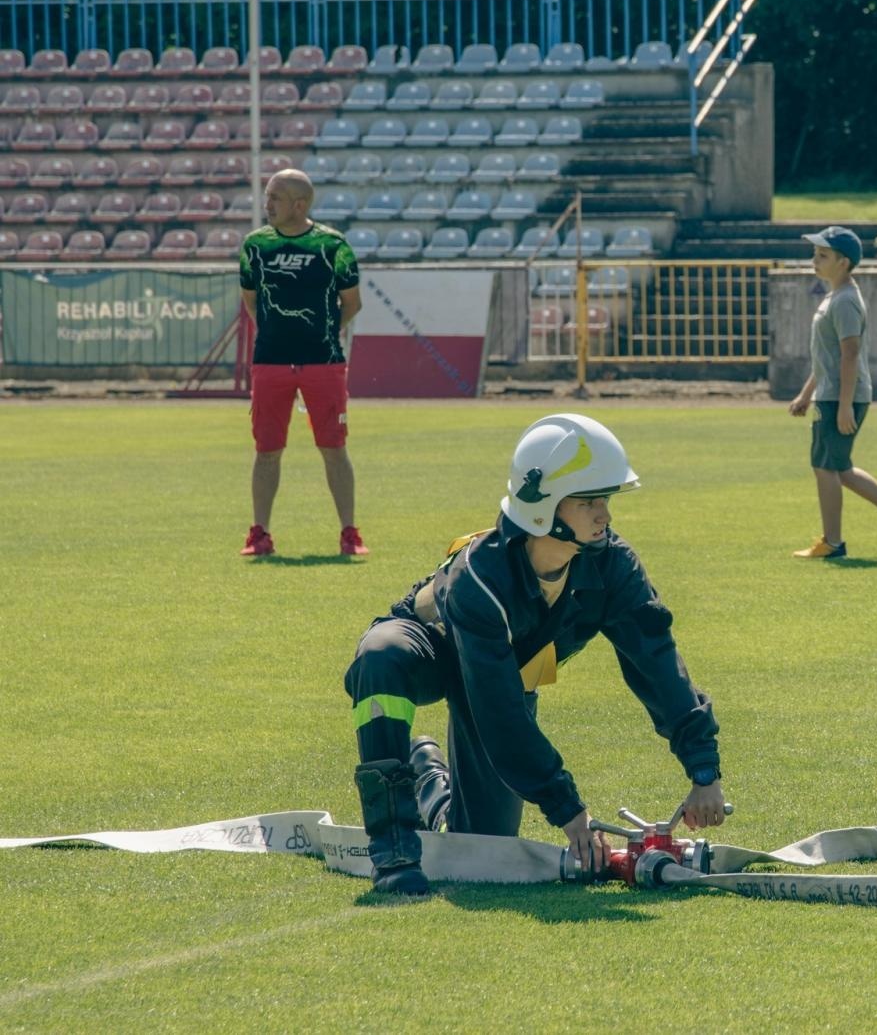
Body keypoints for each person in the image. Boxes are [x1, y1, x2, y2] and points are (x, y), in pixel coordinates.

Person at [342, 413, 726, 894]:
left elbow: (658, 664)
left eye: (605, 498)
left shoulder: (614, 565)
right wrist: (568, 808)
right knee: (379, 657)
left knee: (481, 848)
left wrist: (703, 768)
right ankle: (393, 846)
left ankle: (428, 778)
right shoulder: (477, 578)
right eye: (588, 501)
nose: (604, 513)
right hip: (432, 649)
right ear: (542, 506)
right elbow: (500, 713)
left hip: (504, 676)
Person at [238, 169, 367, 558]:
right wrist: (279, 333)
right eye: (267, 196)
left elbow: (352, 303)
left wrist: (323, 334)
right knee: (267, 450)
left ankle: (349, 534)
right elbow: (250, 299)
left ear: (300, 204)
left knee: (334, 447)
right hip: (271, 362)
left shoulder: (332, 245)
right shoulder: (255, 245)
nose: (267, 204)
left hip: (323, 362)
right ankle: (259, 534)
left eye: (275, 197)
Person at [787, 225, 877, 560]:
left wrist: (844, 405)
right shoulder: (835, 296)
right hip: (832, 395)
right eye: (815, 254)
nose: (814, 260)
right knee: (838, 467)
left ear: (843, 262)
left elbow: (849, 355)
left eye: (823, 255)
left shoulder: (845, 301)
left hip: (840, 397)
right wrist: (806, 394)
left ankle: (833, 543)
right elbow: (826, 358)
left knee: (825, 466)